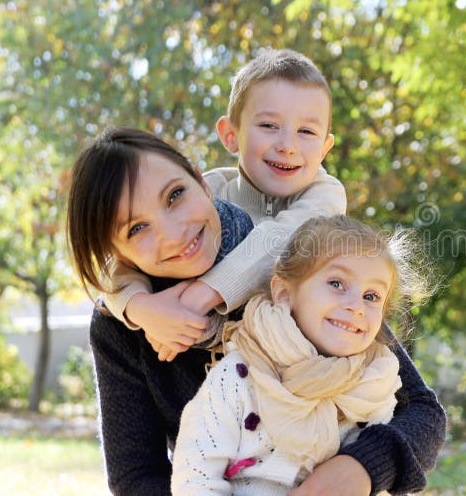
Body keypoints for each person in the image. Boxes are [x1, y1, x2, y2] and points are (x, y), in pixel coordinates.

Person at [67, 128, 446, 495]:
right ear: (117, 253)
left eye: (175, 195)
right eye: (136, 228)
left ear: (202, 181)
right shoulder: (119, 326)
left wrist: (362, 467)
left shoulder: (288, 265)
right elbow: (136, 477)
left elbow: (422, 412)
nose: (174, 232)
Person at [102, 48, 346, 361]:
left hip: (305, 363)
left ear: (324, 148)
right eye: (269, 126)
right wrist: (139, 307)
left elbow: (284, 239)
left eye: (307, 132)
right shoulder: (208, 190)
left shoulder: (325, 195)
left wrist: (202, 295)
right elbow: (120, 256)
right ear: (230, 135)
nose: (287, 146)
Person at [172, 216, 431, 495]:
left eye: (371, 297)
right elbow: (195, 478)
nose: (357, 306)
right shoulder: (240, 376)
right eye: (336, 283)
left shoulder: (375, 383)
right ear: (284, 293)